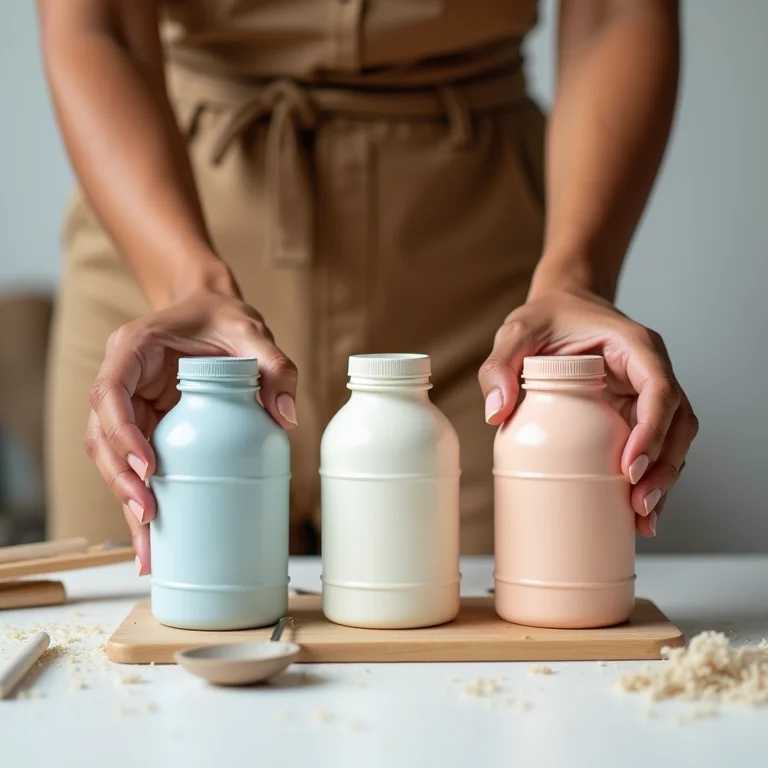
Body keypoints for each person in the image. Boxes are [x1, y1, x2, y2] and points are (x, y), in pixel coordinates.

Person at [38, 0, 697, 573]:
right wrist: (184, 281)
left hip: (489, 290)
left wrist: (576, 278)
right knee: (141, 647)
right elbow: (100, 23)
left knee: (511, 644)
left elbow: (617, 12)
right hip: (168, 260)